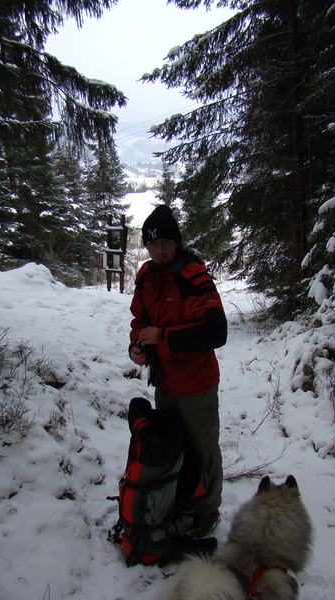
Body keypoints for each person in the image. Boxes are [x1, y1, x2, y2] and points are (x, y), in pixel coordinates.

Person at [129, 204, 227, 538]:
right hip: (165, 382)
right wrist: (137, 345)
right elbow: (140, 319)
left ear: (177, 243)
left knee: (202, 448)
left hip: (196, 383)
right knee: (173, 446)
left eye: (166, 243)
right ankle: (182, 497)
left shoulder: (194, 276)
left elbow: (217, 332)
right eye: (152, 243)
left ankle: (207, 509)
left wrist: (163, 337)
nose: (159, 250)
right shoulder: (146, 276)